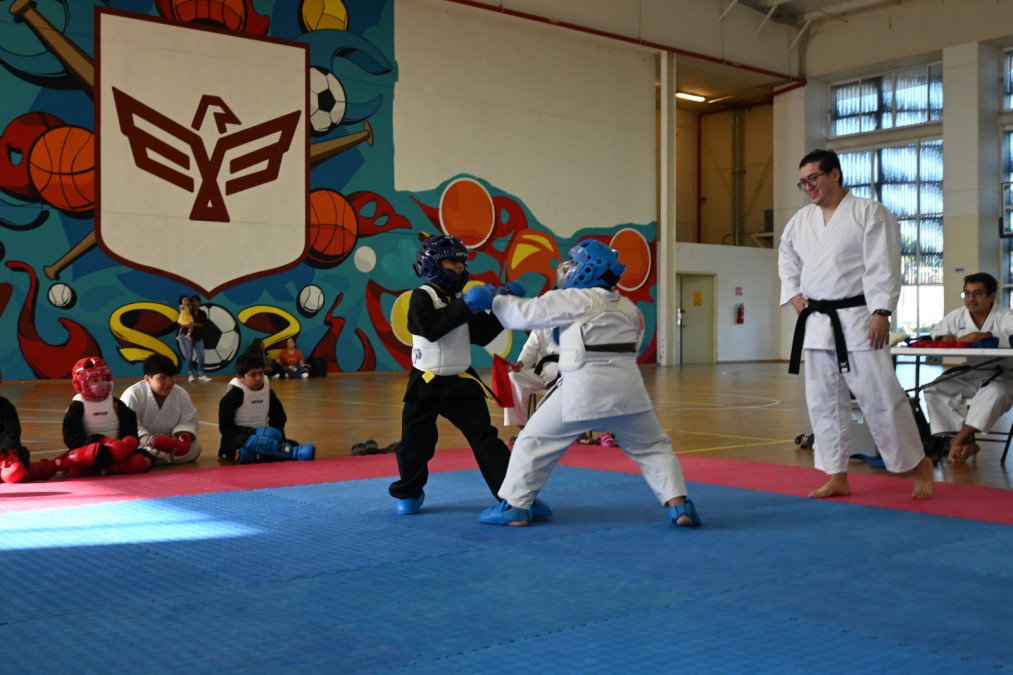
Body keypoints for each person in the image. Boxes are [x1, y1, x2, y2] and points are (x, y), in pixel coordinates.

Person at [467, 239, 700, 527]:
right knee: (654, 447)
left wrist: (494, 300)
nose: (569, 269)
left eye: (574, 263)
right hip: (630, 392)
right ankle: (680, 506)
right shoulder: (628, 307)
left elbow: (526, 313)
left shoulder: (577, 299)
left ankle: (516, 506)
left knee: (533, 441)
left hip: (583, 388)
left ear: (588, 268)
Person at [779, 148, 933, 500]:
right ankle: (837, 474)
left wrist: (882, 311)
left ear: (835, 174)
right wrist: (793, 294)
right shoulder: (801, 221)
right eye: (802, 182)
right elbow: (786, 258)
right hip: (817, 321)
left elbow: (885, 264)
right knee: (823, 402)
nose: (808, 187)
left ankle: (918, 465)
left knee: (879, 397)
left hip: (860, 319)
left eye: (813, 178)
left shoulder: (869, 212)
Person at [388, 233, 536, 518]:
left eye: (461, 261)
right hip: (426, 384)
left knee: (486, 440)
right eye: (452, 260)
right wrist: (467, 306)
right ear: (432, 264)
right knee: (414, 444)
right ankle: (409, 491)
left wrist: (501, 310)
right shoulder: (421, 297)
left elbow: (480, 335)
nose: (459, 266)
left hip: (461, 383)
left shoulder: (460, 299)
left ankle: (513, 496)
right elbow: (429, 329)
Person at [921, 272, 1013, 462]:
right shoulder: (958, 316)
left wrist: (982, 336)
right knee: (934, 389)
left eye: (977, 293)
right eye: (967, 293)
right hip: (971, 373)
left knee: (993, 393)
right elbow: (935, 335)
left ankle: (958, 439)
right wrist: (943, 339)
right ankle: (967, 442)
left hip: (1006, 376)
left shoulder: (1005, 315)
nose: (971, 299)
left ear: (992, 295)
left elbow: (1011, 337)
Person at [31, 357, 152, 479]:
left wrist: (128, 443)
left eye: (104, 379)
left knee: (146, 459)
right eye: (95, 380)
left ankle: (98, 470)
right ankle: (58, 465)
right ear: (81, 383)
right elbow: (72, 439)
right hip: (90, 452)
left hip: (118, 452)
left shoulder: (115, 404)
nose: (101, 385)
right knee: (98, 455)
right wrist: (102, 441)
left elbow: (129, 424)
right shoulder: (77, 407)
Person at [217, 351, 314, 464]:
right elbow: (225, 428)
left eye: (261, 373)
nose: (258, 378)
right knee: (246, 444)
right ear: (240, 377)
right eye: (253, 374)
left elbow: (279, 418)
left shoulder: (268, 394)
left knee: (291, 443)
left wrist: (273, 432)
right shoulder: (232, 397)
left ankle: (254, 456)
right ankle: (285, 453)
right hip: (239, 438)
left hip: (264, 437)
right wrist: (253, 432)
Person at [120, 353, 202, 464]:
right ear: (148, 379)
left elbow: (188, 421)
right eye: (162, 378)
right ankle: (152, 457)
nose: (169, 382)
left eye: (172, 377)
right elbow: (130, 429)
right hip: (143, 444)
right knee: (131, 450)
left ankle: (152, 459)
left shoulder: (180, 393)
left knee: (195, 449)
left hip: (172, 444)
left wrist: (183, 441)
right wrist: (152, 441)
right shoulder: (133, 395)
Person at [503, 327, 559, 431]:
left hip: (571, 373)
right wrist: (520, 363)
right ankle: (525, 430)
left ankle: (578, 432)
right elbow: (529, 350)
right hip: (544, 373)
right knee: (513, 378)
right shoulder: (541, 326)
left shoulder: (578, 323)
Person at [0, 367, 30, 483]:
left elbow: (12, 431)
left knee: (19, 461)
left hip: (5, 454)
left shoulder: (5, 406)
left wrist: (6, 451)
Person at [188, 296, 212, 383]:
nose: (195, 303)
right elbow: (184, 323)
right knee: (189, 356)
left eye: (197, 301)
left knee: (201, 355)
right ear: (191, 303)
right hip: (188, 337)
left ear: (199, 302)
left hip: (198, 337)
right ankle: (190, 374)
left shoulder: (202, 313)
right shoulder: (188, 312)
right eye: (193, 301)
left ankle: (201, 374)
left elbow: (204, 324)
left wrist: (195, 324)